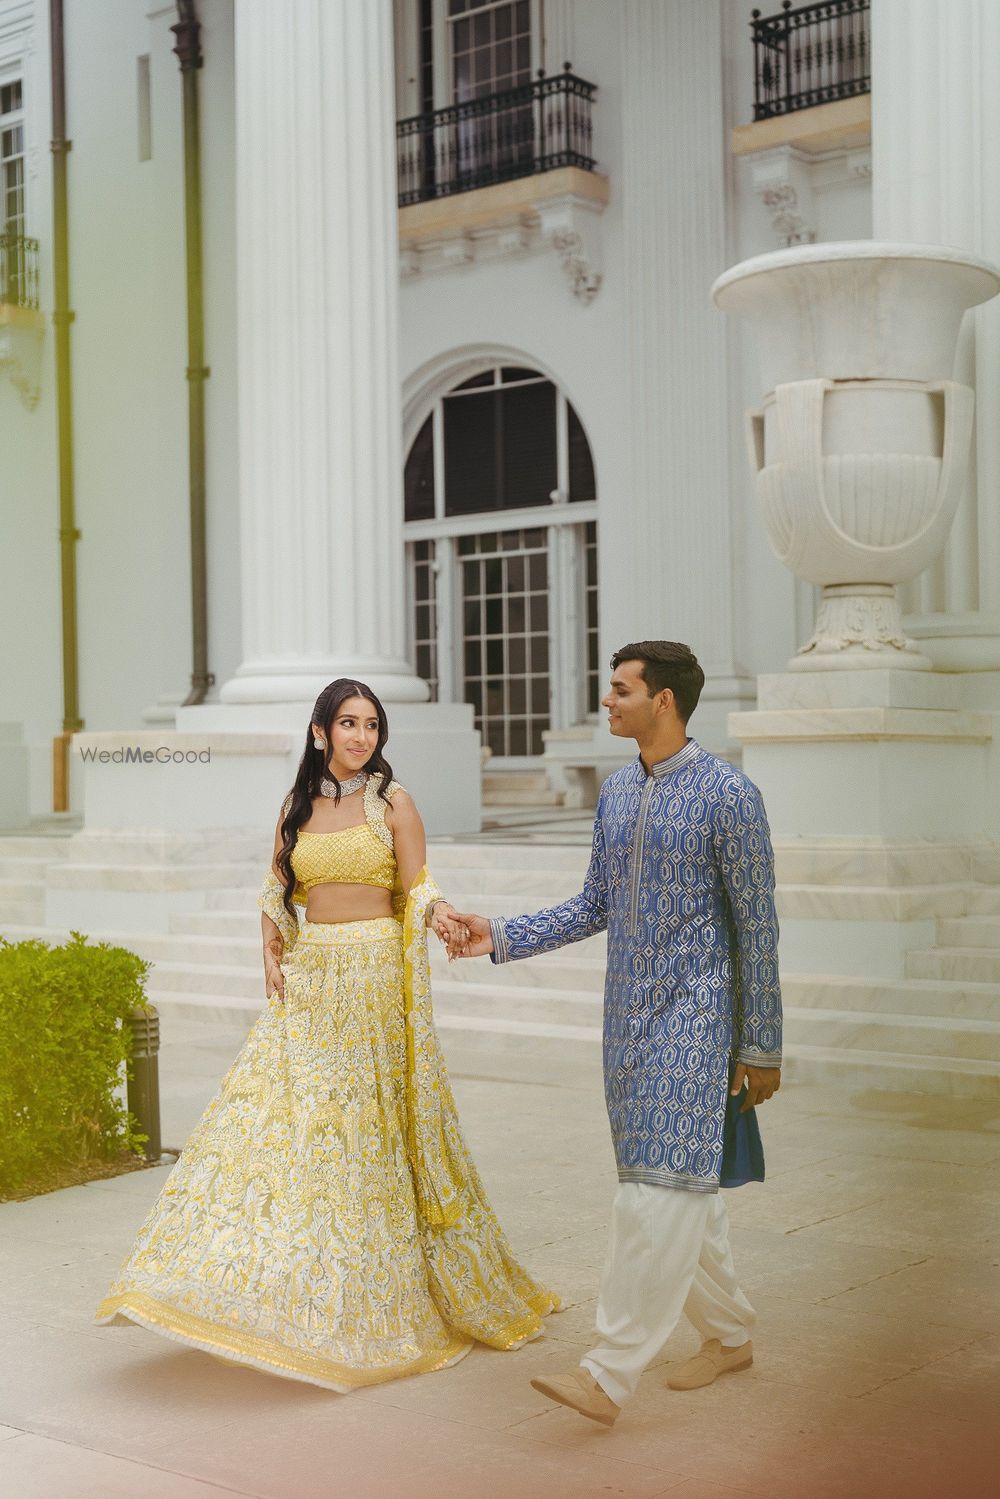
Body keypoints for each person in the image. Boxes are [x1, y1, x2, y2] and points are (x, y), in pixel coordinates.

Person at [95, 678, 557, 1391]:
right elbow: (276, 886)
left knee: (361, 1134)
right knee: (278, 1126)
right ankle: (257, 1282)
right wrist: (271, 948)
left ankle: (361, 1285)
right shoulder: (297, 807)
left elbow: (419, 883)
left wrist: (440, 915)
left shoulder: (393, 803)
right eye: (347, 723)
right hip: (311, 983)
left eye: (371, 725)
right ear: (319, 732)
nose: (360, 736)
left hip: (373, 981)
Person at [453, 641, 782, 1426]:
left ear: (663, 700)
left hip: (699, 1015)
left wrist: (760, 1042)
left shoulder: (729, 794)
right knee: (676, 1189)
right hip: (627, 1021)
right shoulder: (616, 793)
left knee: (650, 1196)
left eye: (621, 688)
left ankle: (608, 1370)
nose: (608, 700)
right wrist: (496, 934)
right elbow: (593, 902)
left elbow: (758, 925)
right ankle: (731, 1334)